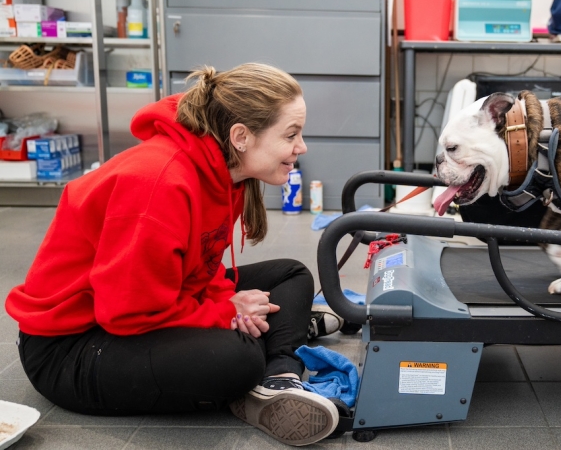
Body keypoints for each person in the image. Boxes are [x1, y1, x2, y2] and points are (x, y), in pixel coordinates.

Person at [5, 63, 341, 446]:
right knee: (237, 359)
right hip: (73, 347)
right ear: (241, 136)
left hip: (145, 308)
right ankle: (270, 348)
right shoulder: (159, 184)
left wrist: (223, 303)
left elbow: (203, 262)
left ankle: (280, 375)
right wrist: (226, 313)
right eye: (291, 134)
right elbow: (127, 314)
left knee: (290, 274)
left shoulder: (223, 170)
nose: (302, 147)